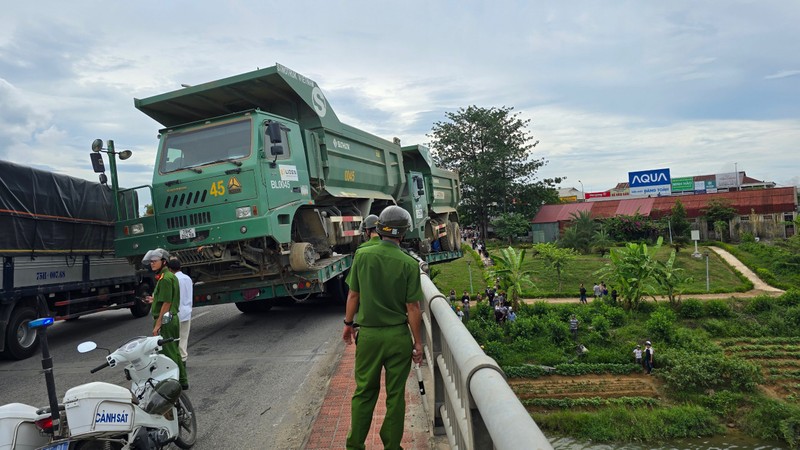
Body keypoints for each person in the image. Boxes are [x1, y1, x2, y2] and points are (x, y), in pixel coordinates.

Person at [342, 205, 424, 450]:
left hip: (368, 336)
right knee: (396, 395)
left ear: (377, 229)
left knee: (364, 392)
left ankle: (355, 445)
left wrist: (348, 324)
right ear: (404, 233)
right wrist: (417, 343)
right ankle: (391, 446)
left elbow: (353, 295)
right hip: (398, 336)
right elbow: (412, 308)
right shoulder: (409, 264)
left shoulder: (363, 256)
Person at [142, 248, 188, 390]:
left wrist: (158, 324)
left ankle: (174, 383)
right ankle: (182, 380)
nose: (152, 264)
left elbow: (167, 303)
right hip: (171, 318)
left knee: (167, 353)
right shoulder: (167, 277)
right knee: (174, 350)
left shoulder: (166, 279)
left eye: (155, 261)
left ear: (164, 262)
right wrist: (153, 300)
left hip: (167, 320)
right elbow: (164, 300)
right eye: (151, 262)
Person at [168, 258, 193, 364]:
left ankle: (175, 362)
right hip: (187, 312)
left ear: (169, 269)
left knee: (173, 340)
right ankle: (183, 360)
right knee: (183, 338)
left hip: (176, 313)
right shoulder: (187, 278)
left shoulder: (172, 280)